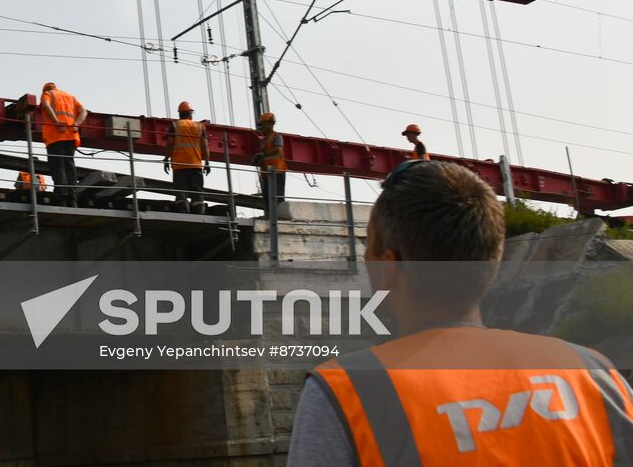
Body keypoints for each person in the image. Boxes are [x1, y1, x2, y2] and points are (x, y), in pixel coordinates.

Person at [288, 160, 633, 466]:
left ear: (388, 267)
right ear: (492, 260)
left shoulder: (346, 393)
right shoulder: (591, 372)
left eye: (369, 247)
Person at [39, 82, 86, 205]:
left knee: (58, 167)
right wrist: (77, 124)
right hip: (71, 135)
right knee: (69, 166)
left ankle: (62, 198)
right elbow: (83, 111)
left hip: (55, 136)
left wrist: (56, 121)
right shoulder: (70, 97)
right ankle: (72, 199)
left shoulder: (47, 94)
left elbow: (45, 105)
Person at [168, 100, 209, 214]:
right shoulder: (200, 127)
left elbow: (170, 144)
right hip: (195, 165)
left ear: (180, 114)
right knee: (197, 193)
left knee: (181, 193)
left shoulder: (174, 125)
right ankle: (199, 213)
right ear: (190, 113)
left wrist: (166, 159)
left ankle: (184, 212)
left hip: (179, 165)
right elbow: (205, 146)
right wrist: (207, 162)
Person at [253, 111, 286, 214]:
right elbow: (265, 155)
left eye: (263, 124)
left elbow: (278, 150)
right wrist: (258, 159)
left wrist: (262, 154)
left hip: (277, 171)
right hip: (267, 173)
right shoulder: (264, 140)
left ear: (270, 123)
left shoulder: (276, 136)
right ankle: (268, 215)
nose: (261, 126)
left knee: (276, 196)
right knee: (267, 196)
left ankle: (279, 215)